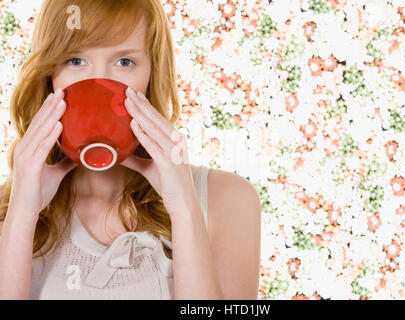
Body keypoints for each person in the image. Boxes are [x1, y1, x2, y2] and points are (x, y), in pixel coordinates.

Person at [0, 0, 261, 300]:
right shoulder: (8, 210)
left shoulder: (227, 199)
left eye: (124, 62)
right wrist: (21, 215)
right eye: (74, 60)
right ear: (49, 76)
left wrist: (184, 208)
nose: (98, 83)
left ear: (152, 76)